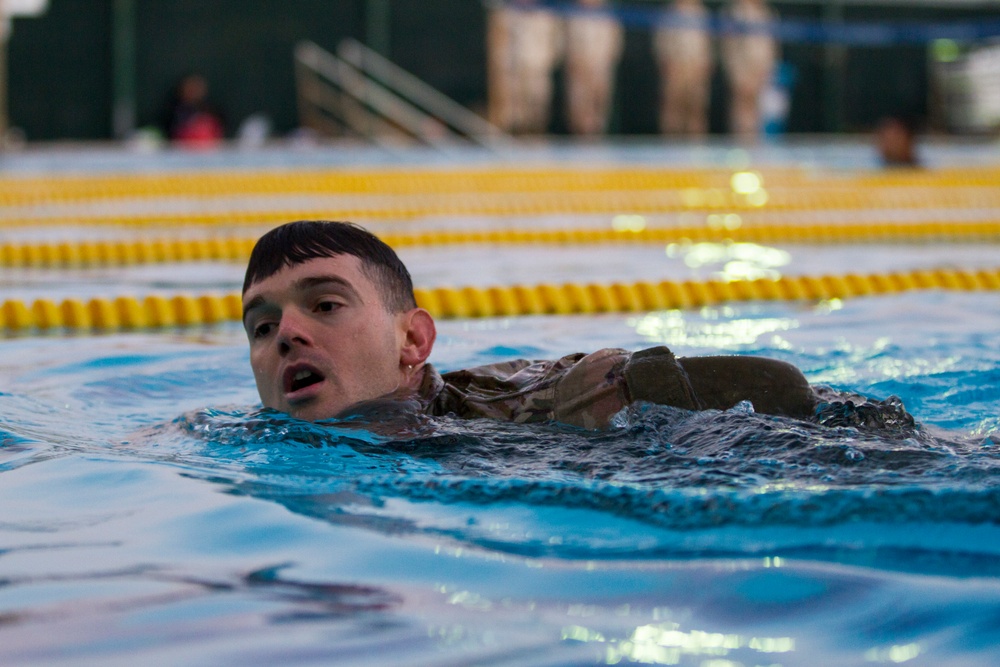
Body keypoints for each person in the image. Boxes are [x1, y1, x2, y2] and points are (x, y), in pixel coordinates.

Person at [241, 220, 819, 429]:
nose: (287, 333)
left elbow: (782, 389)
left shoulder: (538, 407)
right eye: (261, 327)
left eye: (325, 306)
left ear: (412, 340)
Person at [485, 0, 564, 135]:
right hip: (510, 72)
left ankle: (534, 133)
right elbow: (499, 54)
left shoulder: (548, 15)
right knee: (509, 108)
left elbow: (556, 47)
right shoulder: (503, 14)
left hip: (537, 69)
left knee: (537, 104)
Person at [564, 0, 624, 136]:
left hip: (600, 66)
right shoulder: (573, 14)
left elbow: (614, 42)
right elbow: (567, 42)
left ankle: (596, 134)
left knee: (598, 102)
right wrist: (574, 62)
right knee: (578, 104)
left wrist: (605, 63)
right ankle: (578, 134)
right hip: (578, 67)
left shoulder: (607, 14)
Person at [654, 0, 714, 136]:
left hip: (696, 67)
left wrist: (705, 63)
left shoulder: (701, 12)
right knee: (673, 110)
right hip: (676, 66)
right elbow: (662, 41)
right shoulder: (669, 12)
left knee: (696, 110)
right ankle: (671, 150)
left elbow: (708, 43)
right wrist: (667, 63)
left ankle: (696, 150)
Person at [720, 0, 777, 140]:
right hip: (742, 66)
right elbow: (728, 43)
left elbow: (772, 43)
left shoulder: (766, 12)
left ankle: (754, 142)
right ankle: (740, 141)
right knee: (741, 105)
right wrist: (734, 68)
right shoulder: (734, 11)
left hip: (762, 66)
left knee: (758, 107)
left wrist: (769, 67)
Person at [162, 73, 225, 148]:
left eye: (197, 87)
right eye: (190, 87)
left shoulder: (212, 110)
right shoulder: (171, 112)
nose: (193, 90)